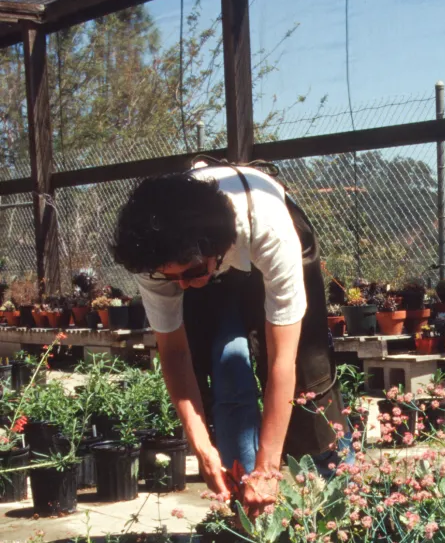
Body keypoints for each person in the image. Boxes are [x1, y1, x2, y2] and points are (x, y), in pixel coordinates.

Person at [112, 161, 347, 517]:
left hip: (260, 226)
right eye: (169, 278)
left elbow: (283, 356)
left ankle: (339, 492)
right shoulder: (155, 255)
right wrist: (201, 448)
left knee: (307, 372)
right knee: (218, 361)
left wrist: (269, 468)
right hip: (200, 249)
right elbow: (175, 353)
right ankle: (241, 506)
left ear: (216, 251)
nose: (181, 286)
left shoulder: (270, 229)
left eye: (189, 274)